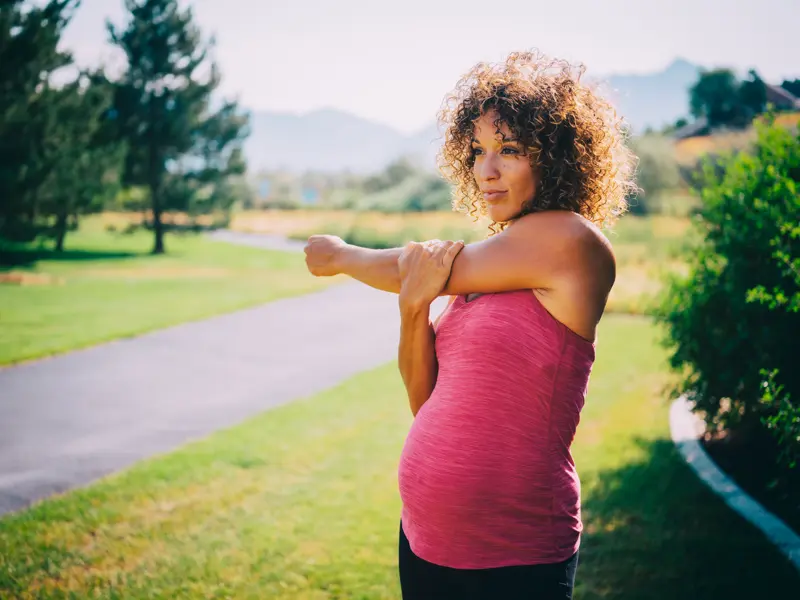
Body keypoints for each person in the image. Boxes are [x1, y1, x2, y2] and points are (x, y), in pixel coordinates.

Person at [303, 49, 637, 599]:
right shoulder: (488, 266)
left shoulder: (573, 243)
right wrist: (413, 309)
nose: (487, 169)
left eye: (509, 149)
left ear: (555, 157)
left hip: (513, 551)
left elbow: (406, 265)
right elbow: (424, 400)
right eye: (478, 150)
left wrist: (340, 255)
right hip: (425, 538)